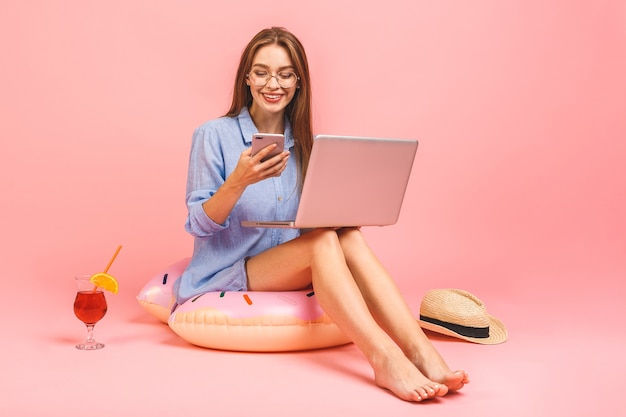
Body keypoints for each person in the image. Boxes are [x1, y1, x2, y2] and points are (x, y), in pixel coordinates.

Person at [174, 26, 469, 402]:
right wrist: (238, 181)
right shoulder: (213, 135)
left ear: (298, 82)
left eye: (285, 74)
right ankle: (384, 358)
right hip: (227, 270)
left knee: (344, 235)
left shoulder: (305, 144)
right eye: (262, 71)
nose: (273, 83)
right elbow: (197, 223)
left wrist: (340, 211)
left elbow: (303, 226)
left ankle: (420, 349)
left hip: (284, 264)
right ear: (246, 78)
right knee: (322, 244)